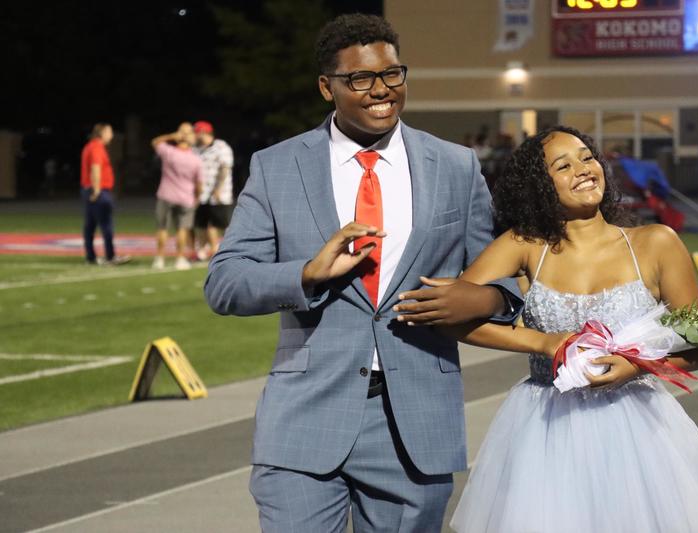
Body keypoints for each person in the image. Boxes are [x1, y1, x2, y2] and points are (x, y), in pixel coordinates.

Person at [204, 14, 521, 532]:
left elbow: (502, 280)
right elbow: (225, 283)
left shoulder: (456, 165)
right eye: (360, 79)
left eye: (392, 74)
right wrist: (307, 274)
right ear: (326, 87)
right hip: (304, 419)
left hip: (415, 426)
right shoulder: (277, 166)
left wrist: (486, 302)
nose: (381, 91)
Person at [434, 126, 698, 533]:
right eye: (563, 165)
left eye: (587, 157)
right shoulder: (524, 245)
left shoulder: (656, 242)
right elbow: (455, 318)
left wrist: (638, 367)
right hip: (545, 427)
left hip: (637, 430)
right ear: (540, 185)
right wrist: (543, 343)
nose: (584, 170)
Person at [151, 124, 203, 270]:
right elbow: (199, 184)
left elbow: (155, 142)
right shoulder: (196, 159)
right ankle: (180, 258)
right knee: (182, 229)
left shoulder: (169, 152)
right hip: (186, 198)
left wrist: (171, 136)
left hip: (166, 195)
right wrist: (197, 198)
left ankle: (159, 258)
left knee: (162, 228)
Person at [80, 123, 130, 266]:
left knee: (90, 225)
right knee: (106, 224)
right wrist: (96, 189)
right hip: (98, 190)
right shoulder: (97, 147)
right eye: (110, 132)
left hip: (89, 188)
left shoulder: (90, 146)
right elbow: (96, 167)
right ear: (102, 133)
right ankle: (110, 256)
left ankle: (91, 257)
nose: (112, 135)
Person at [192, 120, 234, 260]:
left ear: (203, 133)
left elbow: (225, 168)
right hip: (201, 194)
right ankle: (205, 250)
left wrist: (218, 188)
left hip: (219, 195)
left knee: (218, 224)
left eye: (196, 133)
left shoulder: (221, 147)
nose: (195, 136)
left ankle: (219, 250)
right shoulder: (195, 149)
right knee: (201, 224)